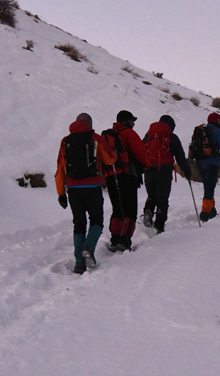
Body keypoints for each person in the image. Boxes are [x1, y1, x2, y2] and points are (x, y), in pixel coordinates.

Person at [55, 113, 117, 274]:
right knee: (96, 220)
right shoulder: (95, 138)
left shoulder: (65, 141)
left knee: (79, 223)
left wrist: (61, 193)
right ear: (89, 123)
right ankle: (89, 245)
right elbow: (109, 160)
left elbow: (60, 169)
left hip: (74, 189)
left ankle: (79, 263)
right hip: (93, 186)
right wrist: (114, 152)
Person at [103, 110, 150, 252]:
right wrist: (146, 166)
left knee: (117, 209)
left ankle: (115, 238)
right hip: (126, 176)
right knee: (130, 209)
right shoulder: (128, 133)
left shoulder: (106, 135)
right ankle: (125, 240)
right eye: (132, 120)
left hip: (110, 176)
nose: (134, 123)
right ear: (126, 121)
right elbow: (141, 153)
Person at [142, 115, 192, 234]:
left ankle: (148, 210)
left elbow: (141, 150)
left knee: (151, 195)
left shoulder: (149, 136)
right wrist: (187, 171)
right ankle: (159, 226)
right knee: (162, 200)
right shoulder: (172, 138)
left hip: (149, 171)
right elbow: (180, 156)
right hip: (164, 173)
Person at [192, 112, 220, 222]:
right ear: (215, 121)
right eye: (219, 120)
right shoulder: (217, 131)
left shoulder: (201, 131)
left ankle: (212, 209)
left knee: (208, 187)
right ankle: (205, 212)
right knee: (209, 187)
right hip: (211, 163)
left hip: (199, 162)